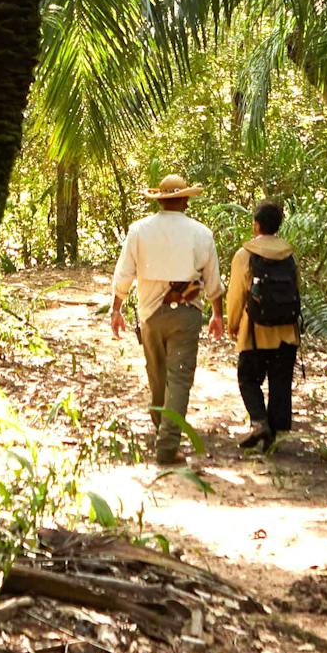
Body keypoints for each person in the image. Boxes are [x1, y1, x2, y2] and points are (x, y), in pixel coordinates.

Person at [109, 173, 220, 466]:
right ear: (184, 200)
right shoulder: (201, 233)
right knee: (179, 379)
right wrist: (217, 314)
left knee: (157, 375)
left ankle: (163, 431)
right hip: (186, 313)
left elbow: (124, 274)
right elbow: (213, 281)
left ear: (160, 200)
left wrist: (116, 308)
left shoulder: (139, 230)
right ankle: (168, 444)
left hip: (150, 313)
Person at [218, 200, 301, 451]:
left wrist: (232, 324)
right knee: (280, 381)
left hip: (254, 330)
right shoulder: (290, 254)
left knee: (248, 378)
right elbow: (297, 290)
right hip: (286, 332)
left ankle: (259, 421)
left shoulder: (245, 255)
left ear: (256, 225)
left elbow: (235, 295)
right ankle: (274, 435)